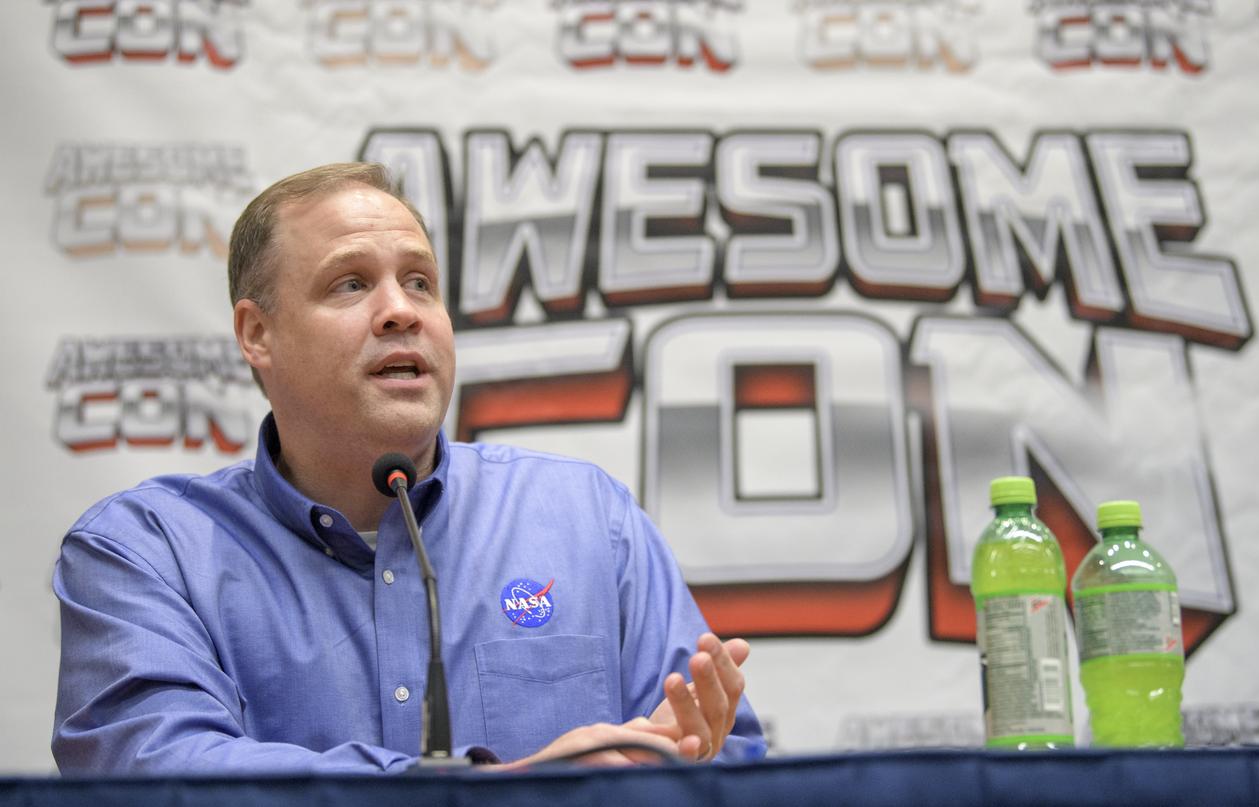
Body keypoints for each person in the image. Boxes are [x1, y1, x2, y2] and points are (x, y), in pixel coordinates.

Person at [51, 162, 766, 774]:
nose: (401, 311)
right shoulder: (147, 549)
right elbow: (152, 771)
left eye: (421, 282)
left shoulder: (587, 517)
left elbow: (720, 751)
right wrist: (499, 788)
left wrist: (690, 769)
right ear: (257, 333)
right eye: (351, 285)